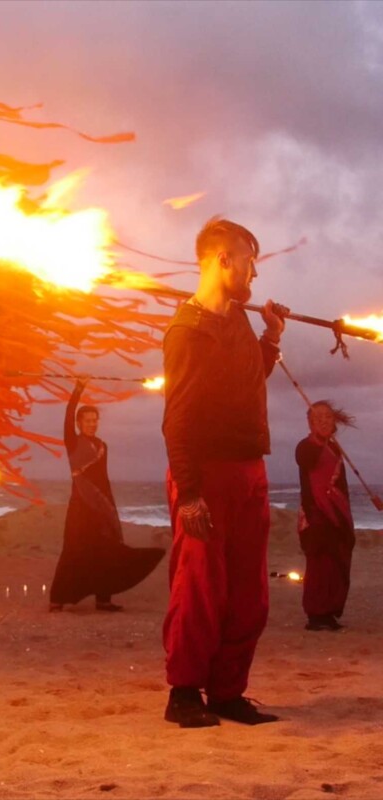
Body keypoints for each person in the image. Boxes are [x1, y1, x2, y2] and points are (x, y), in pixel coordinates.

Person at [161, 218, 288, 728]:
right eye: (250, 263)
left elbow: (247, 378)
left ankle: (228, 692)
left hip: (249, 470)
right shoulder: (187, 331)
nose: (255, 275)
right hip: (206, 475)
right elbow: (178, 420)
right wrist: (190, 494)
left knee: (248, 591)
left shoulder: (237, 320)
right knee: (199, 587)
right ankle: (184, 693)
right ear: (223, 261)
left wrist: (271, 339)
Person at [49, 376, 164, 612]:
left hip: (102, 506)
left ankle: (103, 599)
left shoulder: (102, 446)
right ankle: (57, 600)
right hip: (80, 507)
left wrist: (110, 506)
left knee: (107, 550)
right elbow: (68, 415)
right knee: (73, 550)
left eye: (94, 420)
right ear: (79, 423)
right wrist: (78, 389)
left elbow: (103, 479)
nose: (91, 424)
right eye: (87, 420)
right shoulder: (73, 442)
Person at [295, 401, 355, 632]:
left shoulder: (335, 449)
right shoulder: (305, 447)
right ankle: (316, 615)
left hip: (337, 512)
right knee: (320, 564)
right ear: (310, 423)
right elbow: (306, 462)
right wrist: (321, 443)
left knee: (337, 562)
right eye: (317, 417)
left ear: (334, 422)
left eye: (327, 417)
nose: (323, 420)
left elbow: (341, 485)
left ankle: (329, 612)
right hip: (316, 513)